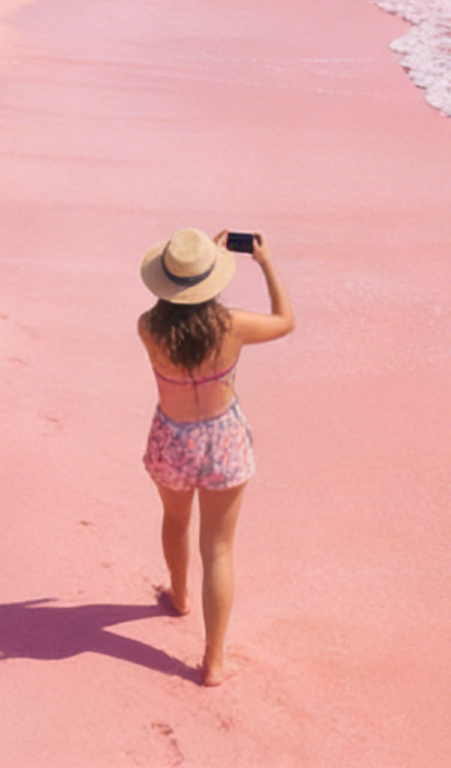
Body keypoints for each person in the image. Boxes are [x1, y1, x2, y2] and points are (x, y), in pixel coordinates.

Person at [137, 228, 294, 686]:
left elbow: (180, 306)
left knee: (174, 521)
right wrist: (264, 263)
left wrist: (193, 261)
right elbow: (285, 321)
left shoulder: (148, 327)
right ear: (210, 280)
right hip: (222, 439)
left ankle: (179, 595)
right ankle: (215, 661)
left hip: (172, 438)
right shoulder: (232, 326)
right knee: (219, 549)